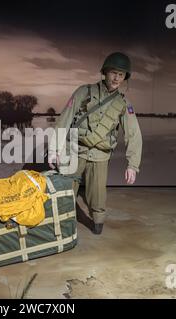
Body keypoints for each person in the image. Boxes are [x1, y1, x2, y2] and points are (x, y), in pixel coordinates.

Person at [48, 52, 142, 235]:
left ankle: (97, 224)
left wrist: (133, 165)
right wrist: (54, 149)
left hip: (100, 154)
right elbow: (64, 120)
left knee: (98, 195)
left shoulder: (123, 103)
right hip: (75, 150)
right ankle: (61, 226)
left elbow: (134, 134)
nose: (116, 78)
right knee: (66, 191)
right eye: (113, 73)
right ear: (105, 72)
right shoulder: (84, 92)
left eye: (121, 75)